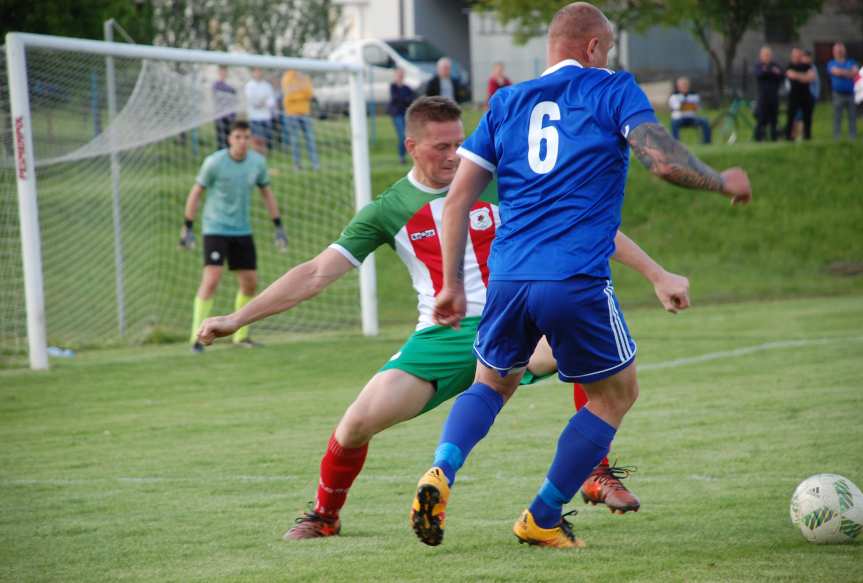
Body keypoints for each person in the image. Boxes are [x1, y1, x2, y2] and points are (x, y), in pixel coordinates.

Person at [196, 97, 691, 539]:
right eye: (441, 146)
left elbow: (587, 229)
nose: (455, 154)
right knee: (354, 427)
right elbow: (314, 274)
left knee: (577, 347)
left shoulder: (504, 181)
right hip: (443, 336)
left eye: (460, 142)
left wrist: (656, 271)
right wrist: (237, 318)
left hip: (516, 317)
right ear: (411, 145)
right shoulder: (390, 209)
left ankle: (594, 471)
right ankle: (325, 516)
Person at [410, 1, 751, 550]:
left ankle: (441, 471)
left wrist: (450, 284)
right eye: (607, 49)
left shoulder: (505, 102)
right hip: (573, 279)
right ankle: (543, 514)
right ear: (594, 47)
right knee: (616, 394)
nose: (608, 58)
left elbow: (454, 204)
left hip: (507, 279)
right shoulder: (611, 89)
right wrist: (720, 180)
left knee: (490, 384)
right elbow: (662, 161)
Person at [180, 120, 288, 352]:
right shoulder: (214, 163)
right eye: (238, 137)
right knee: (211, 280)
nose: (242, 141)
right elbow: (196, 192)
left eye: (246, 137)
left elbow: (266, 192)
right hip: (215, 228)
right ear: (230, 139)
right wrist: (187, 227)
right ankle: (197, 339)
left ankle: (241, 336)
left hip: (242, 230)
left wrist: (278, 225)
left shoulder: (257, 163)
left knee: (250, 283)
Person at [280, 69, 320, 170]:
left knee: (310, 139)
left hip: (305, 112)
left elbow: (309, 94)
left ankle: (315, 164)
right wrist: (301, 93)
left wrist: (298, 93)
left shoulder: (304, 78)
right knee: (295, 140)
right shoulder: (287, 77)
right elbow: (289, 96)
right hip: (291, 113)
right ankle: (297, 165)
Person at [827, 42, 859, 140]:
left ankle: (853, 137)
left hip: (851, 94)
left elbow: (855, 72)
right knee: (837, 117)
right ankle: (837, 138)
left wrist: (841, 72)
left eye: (841, 50)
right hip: (838, 94)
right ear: (834, 52)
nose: (840, 52)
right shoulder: (831, 63)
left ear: (844, 51)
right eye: (838, 50)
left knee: (852, 117)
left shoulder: (851, 61)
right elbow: (834, 71)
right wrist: (848, 72)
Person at [668, 77, 712, 144]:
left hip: (692, 118)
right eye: (682, 85)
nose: (684, 86)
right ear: (678, 86)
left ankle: (707, 142)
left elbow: (697, 107)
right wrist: (690, 106)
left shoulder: (694, 95)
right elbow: (678, 107)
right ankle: (676, 144)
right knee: (674, 123)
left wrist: (689, 106)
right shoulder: (674, 96)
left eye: (685, 85)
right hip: (679, 119)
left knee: (704, 121)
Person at [753, 46, 783, 142]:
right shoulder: (758, 66)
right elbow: (759, 74)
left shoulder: (775, 65)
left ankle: (774, 138)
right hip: (763, 97)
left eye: (768, 55)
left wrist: (771, 72)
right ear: (761, 56)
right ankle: (759, 139)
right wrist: (769, 72)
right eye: (765, 55)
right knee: (761, 119)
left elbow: (781, 75)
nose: (767, 57)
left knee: (774, 119)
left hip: (773, 96)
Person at [785, 48, 816, 141]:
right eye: (795, 55)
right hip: (793, 95)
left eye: (798, 55)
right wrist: (804, 76)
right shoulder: (789, 66)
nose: (797, 57)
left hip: (805, 95)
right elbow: (791, 75)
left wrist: (798, 76)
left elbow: (811, 77)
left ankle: (807, 136)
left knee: (807, 117)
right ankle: (789, 136)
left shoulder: (807, 65)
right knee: (791, 116)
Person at [387, 68, 416, 164]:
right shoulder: (393, 87)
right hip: (397, 114)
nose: (400, 76)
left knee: (408, 136)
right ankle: (401, 157)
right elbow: (396, 99)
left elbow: (412, 99)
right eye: (398, 74)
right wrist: (405, 100)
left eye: (402, 74)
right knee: (402, 135)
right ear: (395, 75)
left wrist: (404, 100)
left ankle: (408, 155)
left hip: (406, 114)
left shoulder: (407, 88)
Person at [245, 67, 276, 154]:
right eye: (256, 71)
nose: (258, 73)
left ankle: (263, 157)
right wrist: (261, 102)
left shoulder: (267, 86)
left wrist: (264, 102)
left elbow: (271, 101)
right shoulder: (249, 85)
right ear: (253, 73)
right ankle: (255, 155)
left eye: (260, 71)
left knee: (265, 139)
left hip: (265, 117)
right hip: (254, 117)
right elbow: (251, 100)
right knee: (256, 139)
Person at [212, 66, 237, 150]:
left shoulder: (230, 86)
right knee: (220, 139)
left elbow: (233, 98)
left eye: (225, 72)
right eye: (222, 72)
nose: (223, 74)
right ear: (219, 73)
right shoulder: (216, 85)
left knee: (229, 138)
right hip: (220, 116)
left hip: (229, 117)